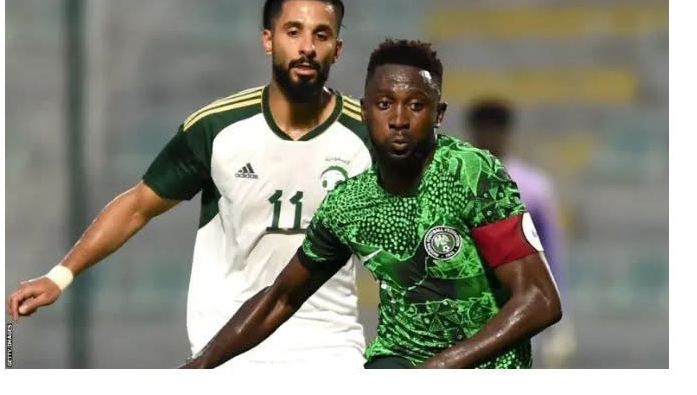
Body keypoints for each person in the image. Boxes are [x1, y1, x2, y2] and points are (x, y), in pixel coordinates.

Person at [6, 0, 373, 368]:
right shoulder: (217, 127)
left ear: (337, 49)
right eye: (293, 32)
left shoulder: (370, 134)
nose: (307, 47)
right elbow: (137, 206)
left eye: (321, 35)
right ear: (268, 39)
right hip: (229, 346)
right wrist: (59, 276)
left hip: (330, 346)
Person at [181, 39, 562, 369]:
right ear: (364, 111)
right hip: (396, 361)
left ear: (439, 115)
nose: (398, 119)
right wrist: (197, 367)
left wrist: (438, 370)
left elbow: (540, 300)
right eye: (384, 104)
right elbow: (280, 297)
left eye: (416, 105)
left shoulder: (471, 174)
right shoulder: (350, 204)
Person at [466, 98, 575, 368]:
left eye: (494, 130)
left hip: (518, 302)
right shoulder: (455, 181)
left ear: (506, 133)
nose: (488, 138)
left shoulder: (534, 188)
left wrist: (560, 322)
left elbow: (550, 251)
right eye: (482, 130)